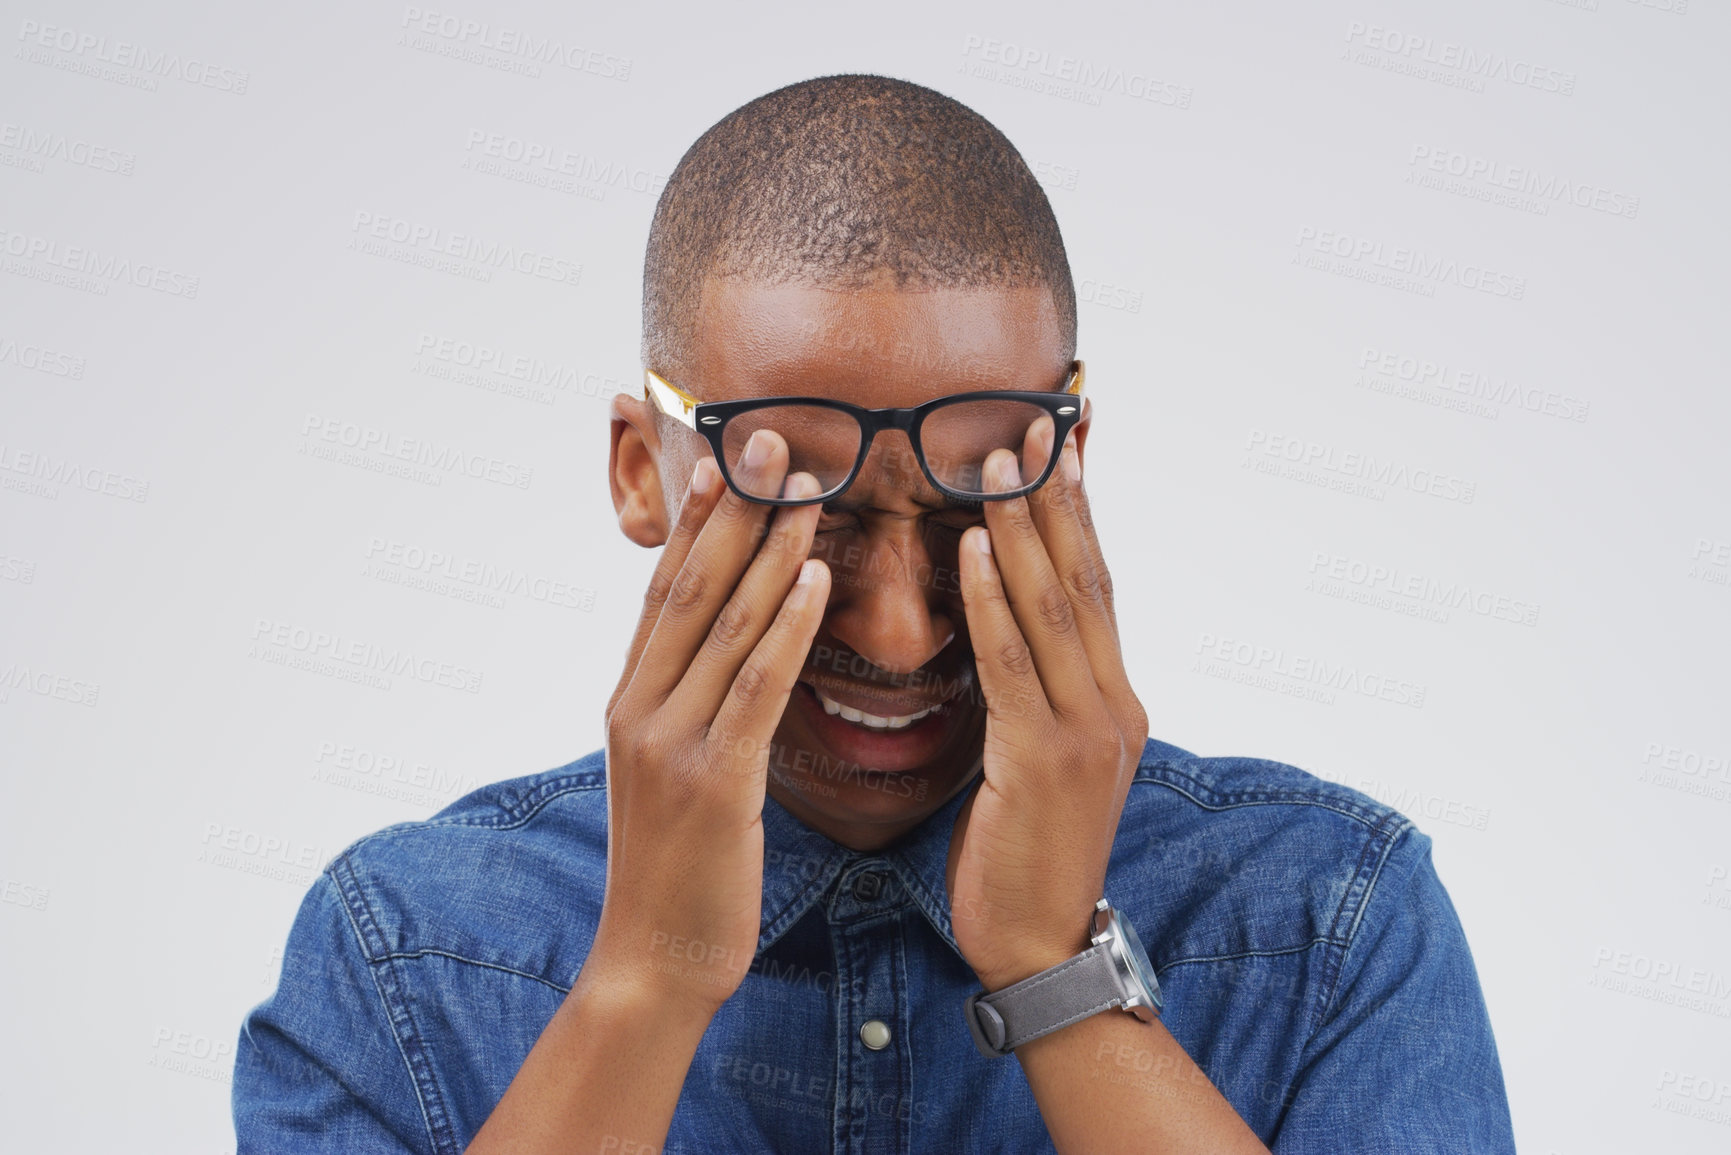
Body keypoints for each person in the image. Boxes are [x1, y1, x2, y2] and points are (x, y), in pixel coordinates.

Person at [233, 74, 1515, 1154]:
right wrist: (649, 977)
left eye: (973, 509)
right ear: (641, 471)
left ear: (1068, 473)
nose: (899, 636)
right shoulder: (403, 953)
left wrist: (1051, 962)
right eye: (806, 514)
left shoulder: (1326, 919)